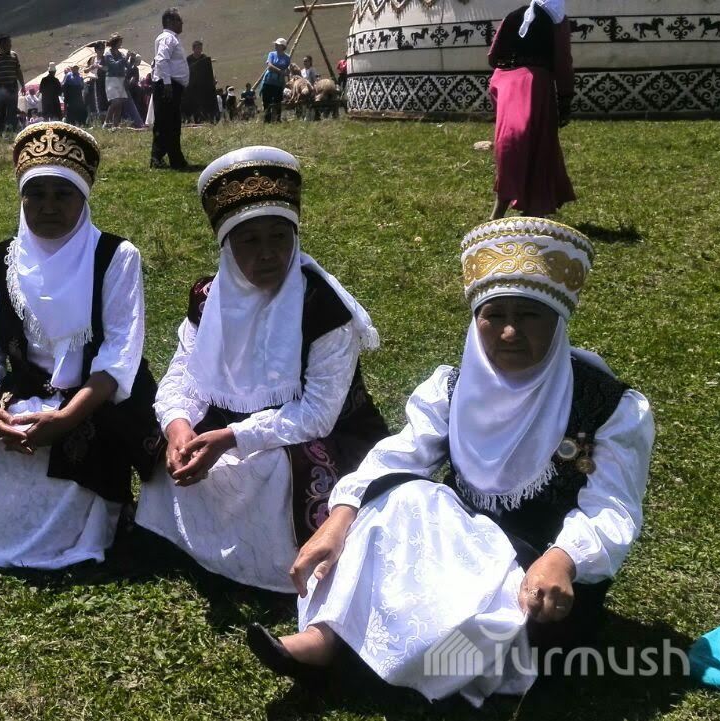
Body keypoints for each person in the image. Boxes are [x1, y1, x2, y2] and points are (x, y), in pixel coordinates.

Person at [248, 218, 655, 706]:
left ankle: (388, 662)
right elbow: (398, 455)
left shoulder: (607, 408)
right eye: (493, 314)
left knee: (473, 621)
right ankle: (328, 636)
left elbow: (612, 508)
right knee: (402, 496)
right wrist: (339, 519)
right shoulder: (453, 389)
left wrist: (564, 557)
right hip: (463, 551)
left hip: (541, 582)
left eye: (529, 315)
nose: (509, 331)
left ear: (558, 320)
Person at [135, 147, 388, 592]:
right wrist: (178, 427)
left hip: (313, 432)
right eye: (249, 240)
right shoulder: (209, 298)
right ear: (227, 245)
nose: (268, 253)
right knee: (165, 445)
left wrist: (231, 438)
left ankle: (274, 568)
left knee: (271, 469)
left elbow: (317, 414)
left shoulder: (324, 307)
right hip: (229, 423)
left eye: (280, 237)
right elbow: (183, 374)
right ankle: (192, 546)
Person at [0, 122, 162, 569]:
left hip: (93, 399)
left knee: (79, 449)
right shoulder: (0, 259)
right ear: (21, 198)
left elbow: (119, 355)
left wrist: (65, 419)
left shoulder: (116, 257)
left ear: (84, 198)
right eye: (36, 194)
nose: (48, 206)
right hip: (22, 391)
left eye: (63, 194)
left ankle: (87, 531)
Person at [488, 0, 575, 220]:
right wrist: (565, 97)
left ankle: (501, 209)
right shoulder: (558, 21)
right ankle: (534, 209)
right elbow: (563, 60)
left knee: (510, 141)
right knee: (538, 144)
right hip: (533, 84)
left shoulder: (513, 15)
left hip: (504, 82)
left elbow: (493, 55)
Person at [151, 8, 190, 169]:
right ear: (169, 21)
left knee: (171, 122)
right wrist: (167, 83)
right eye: (179, 20)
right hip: (168, 85)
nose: (182, 23)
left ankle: (173, 158)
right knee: (167, 122)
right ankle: (160, 158)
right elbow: (161, 60)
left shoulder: (172, 39)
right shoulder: (167, 38)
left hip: (172, 84)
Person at [0, 34, 25, 133]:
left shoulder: (14, 55)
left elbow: (18, 71)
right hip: (0, 89)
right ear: (2, 44)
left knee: (12, 113)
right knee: (1, 113)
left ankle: (10, 135)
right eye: (8, 43)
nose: (10, 45)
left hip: (12, 88)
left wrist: (23, 85)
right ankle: (0, 134)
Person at [183, 40, 218, 123]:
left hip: (203, 87)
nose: (199, 50)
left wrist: (213, 79)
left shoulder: (204, 58)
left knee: (205, 104)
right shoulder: (188, 59)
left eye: (200, 48)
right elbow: (185, 71)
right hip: (193, 87)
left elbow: (210, 70)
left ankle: (207, 119)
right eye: (198, 48)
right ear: (193, 49)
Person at [102, 34, 131, 127]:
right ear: (115, 42)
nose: (121, 43)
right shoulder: (108, 54)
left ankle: (115, 125)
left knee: (120, 104)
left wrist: (132, 60)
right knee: (115, 101)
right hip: (111, 79)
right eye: (119, 41)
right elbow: (114, 66)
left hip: (121, 79)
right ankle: (106, 122)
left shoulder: (120, 54)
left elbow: (127, 66)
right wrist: (125, 59)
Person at [261, 38, 292, 123]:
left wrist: (287, 78)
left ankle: (277, 120)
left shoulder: (287, 58)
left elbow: (288, 70)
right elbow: (270, 66)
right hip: (268, 82)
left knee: (278, 102)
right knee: (267, 102)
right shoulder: (271, 54)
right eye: (276, 44)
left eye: (277, 44)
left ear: (282, 46)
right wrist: (281, 72)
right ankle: (267, 120)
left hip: (279, 83)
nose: (275, 45)